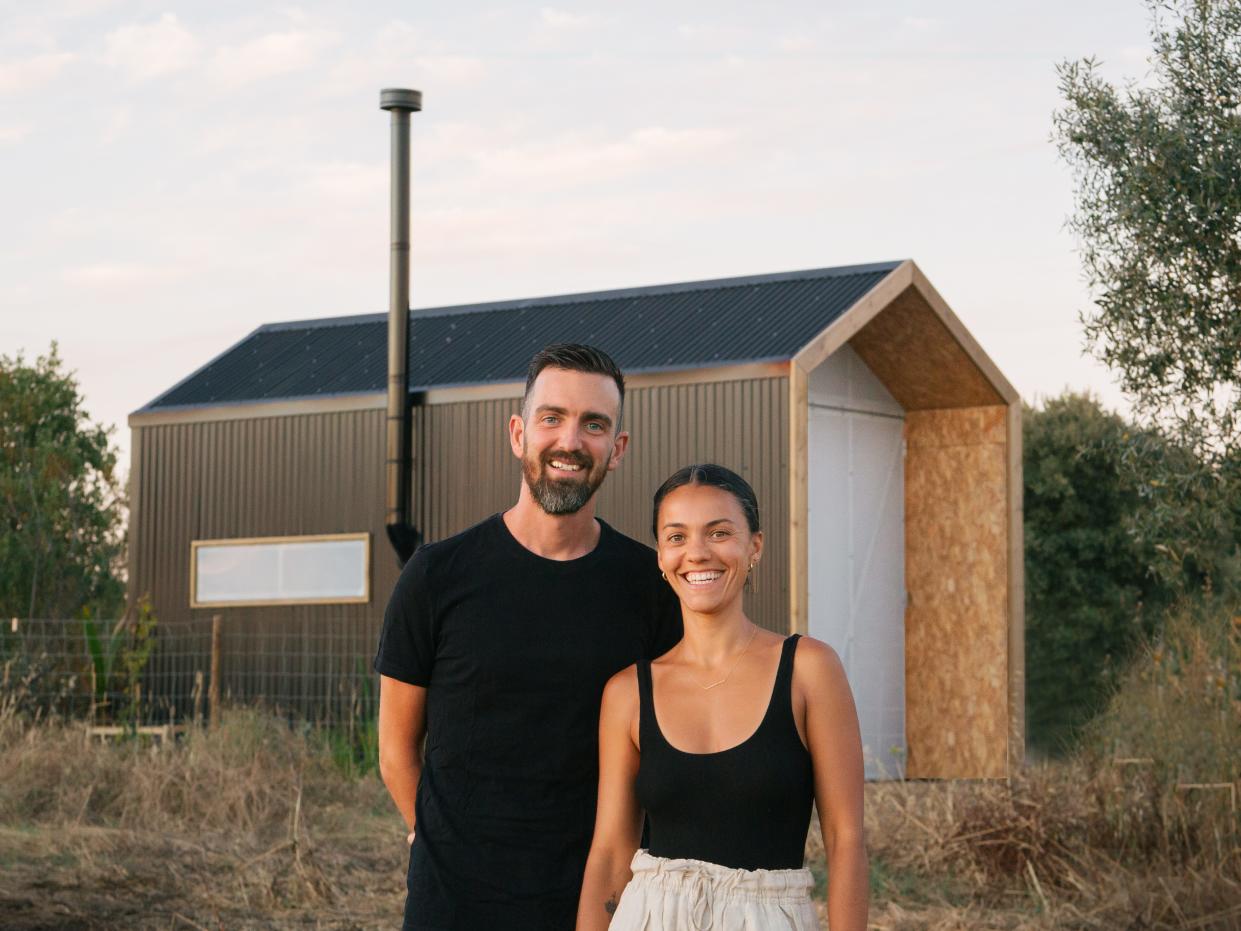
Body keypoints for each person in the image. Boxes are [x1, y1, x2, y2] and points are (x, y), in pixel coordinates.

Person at [373, 343, 682, 931]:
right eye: (552, 418)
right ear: (518, 433)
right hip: (454, 906)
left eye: (594, 424)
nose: (570, 440)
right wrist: (442, 846)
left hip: (597, 903)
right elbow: (394, 752)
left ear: (617, 450)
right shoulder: (436, 576)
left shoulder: (651, 586)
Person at [576, 464, 868, 931]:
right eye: (676, 537)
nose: (696, 553)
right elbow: (611, 853)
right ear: (660, 556)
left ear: (755, 546)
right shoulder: (628, 692)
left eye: (718, 533)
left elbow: (846, 837)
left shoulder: (809, 669)